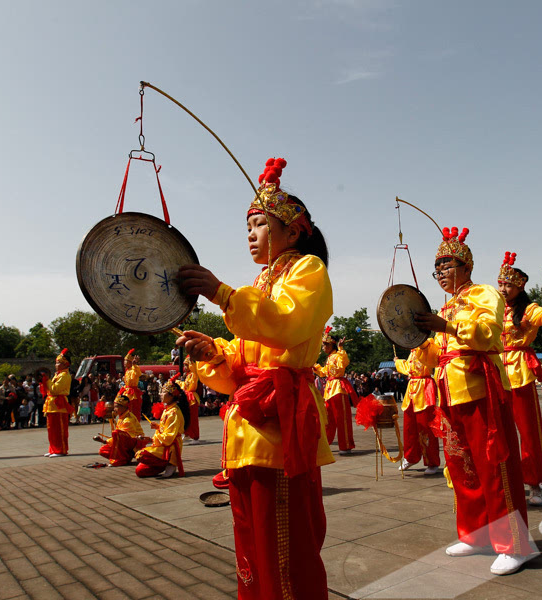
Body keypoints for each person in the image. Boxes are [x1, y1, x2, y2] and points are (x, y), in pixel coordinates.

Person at [177, 157, 334, 598]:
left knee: (286, 550)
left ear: (293, 230)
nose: (251, 233)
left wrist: (221, 293)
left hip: (282, 429)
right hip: (247, 432)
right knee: (252, 548)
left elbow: (286, 325)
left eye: (261, 224)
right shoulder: (261, 284)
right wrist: (213, 353)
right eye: (249, 224)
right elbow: (241, 367)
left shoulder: (307, 271)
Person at [413, 228, 535, 575]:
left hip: (481, 390)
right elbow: (437, 354)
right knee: (461, 468)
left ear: (465, 265)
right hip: (448, 393)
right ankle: (475, 534)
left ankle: (515, 544)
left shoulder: (485, 295)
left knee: (495, 467)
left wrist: (447, 327)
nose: (440, 274)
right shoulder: (446, 307)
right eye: (436, 268)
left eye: (446, 265)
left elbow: (487, 335)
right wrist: (421, 341)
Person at [497, 252, 542, 507]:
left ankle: (534, 483)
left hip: (519, 372)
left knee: (528, 431)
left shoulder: (529, 309)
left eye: (508, 285)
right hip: (494, 373)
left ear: (519, 287)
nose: (503, 289)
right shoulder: (493, 308)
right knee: (498, 432)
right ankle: (504, 481)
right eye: (501, 284)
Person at [394, 346, 441, 475]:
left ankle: (432, 461)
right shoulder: (412, 352)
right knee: (409, 428)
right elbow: (409, 369)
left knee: (427, 428)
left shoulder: (428, 346)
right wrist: (397, 362)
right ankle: (410, 457)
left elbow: (431, 360)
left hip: (425, 388)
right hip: (412, 390)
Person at [314, 328, 357, 454]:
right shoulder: (329, 358)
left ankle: (346, 445)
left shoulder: (338, 355)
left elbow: (344, 363)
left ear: (331, 344)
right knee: (329, 419)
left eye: (325, 345)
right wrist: (314, 366)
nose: (323, 347)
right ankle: (325, 444)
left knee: (342, 418)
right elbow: (323, 373)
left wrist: (341, 349)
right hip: (329, 389)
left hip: (338, 388)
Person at [135, 375, 188, 477]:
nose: (160, 394)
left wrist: (150, 439)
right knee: (140, 471)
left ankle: (170, 463)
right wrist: (158, 427)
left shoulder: (174, 412)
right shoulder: (168, 410)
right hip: (163, 444)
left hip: (169, 447)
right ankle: (162, 465)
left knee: (140, 454)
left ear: (171, 395)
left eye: (163, 392)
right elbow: (166, 429)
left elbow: (168, 437)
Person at [95, 395, 146, 467]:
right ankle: (126, 457)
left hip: (133, 443)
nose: (114, 409)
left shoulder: (128, 419)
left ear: (124, 407)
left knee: (117, 433)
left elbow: (124, 437)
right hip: (124, 443)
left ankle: (120, 460)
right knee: (103, 450)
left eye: (116, 406)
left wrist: (105, 441)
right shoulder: (121, 416)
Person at [42, 349, 72, 457]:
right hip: (52, 404)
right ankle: (53, 449)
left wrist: (47, 381)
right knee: (52, 429)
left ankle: (61, 450)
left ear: (65, 364)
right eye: (56, 362)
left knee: (59, 429)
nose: (56, 365)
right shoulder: (58, 375)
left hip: (59, 405)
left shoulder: (64, 376)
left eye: (58, 362)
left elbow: (55, 389)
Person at [180, 356, 201, 444]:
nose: (184, 367)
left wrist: (179, 383)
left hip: (191, 397)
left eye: (186, 365)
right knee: (187, 417)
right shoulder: (189, 375)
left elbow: (190, 387)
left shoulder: (193, 374)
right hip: (187, 396)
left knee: (193, 417)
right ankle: (187, 434)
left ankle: (195, 436)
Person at [119, 349, 143, 420]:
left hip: (132, 392)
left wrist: (134, 364)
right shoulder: (127, 370)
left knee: (133, 409)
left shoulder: (134, 368)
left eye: (125, 361)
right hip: (126, 390)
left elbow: (138, 374)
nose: (124, 363)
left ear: (130, 362)